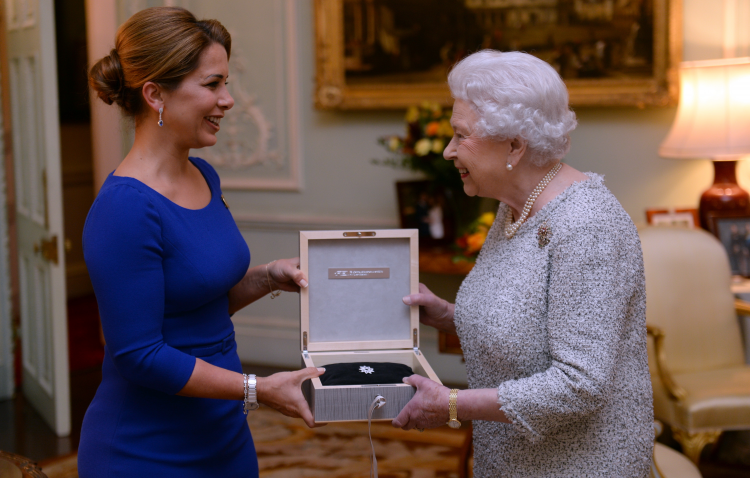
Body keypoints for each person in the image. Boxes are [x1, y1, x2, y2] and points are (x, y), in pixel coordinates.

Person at [78, 7, 323, 477]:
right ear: (155, 94)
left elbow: (195, 307)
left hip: (222, 433)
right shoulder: (125, 208)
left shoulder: (205, 175)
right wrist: (258, 388)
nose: (228, 100)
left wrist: (268, 277)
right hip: (146, 450)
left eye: (225, 83)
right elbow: (139, 354)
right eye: (212, 85)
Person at [392, 50, 653, 477]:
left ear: (514, 144)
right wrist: (448, 316)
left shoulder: (588, 225)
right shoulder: (517, 208)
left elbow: (579, 384)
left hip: (580, 465)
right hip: (514, 459)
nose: (447, 151)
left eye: (461, 135)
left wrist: (452, 404)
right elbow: (534, 324)